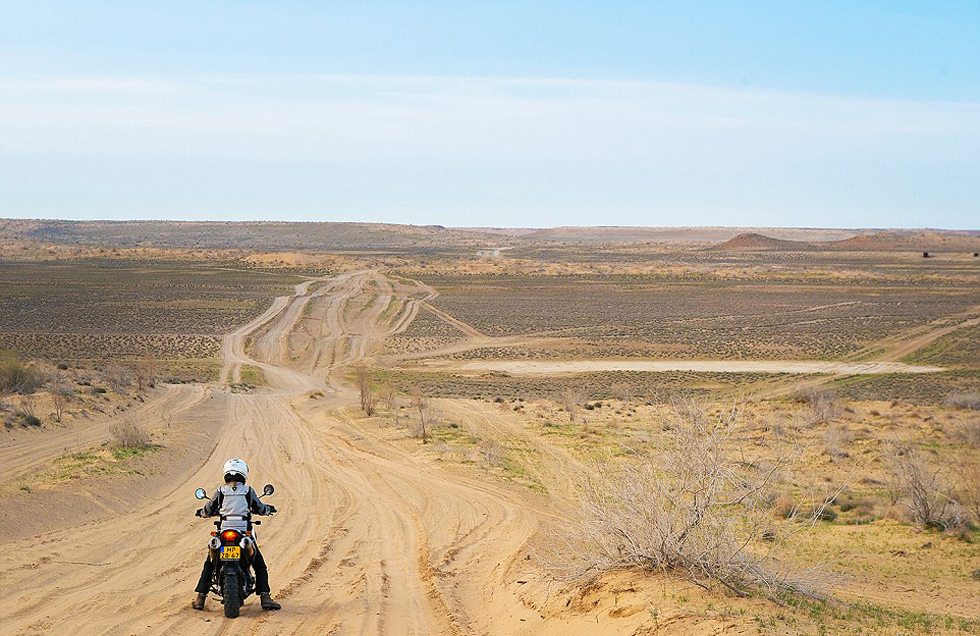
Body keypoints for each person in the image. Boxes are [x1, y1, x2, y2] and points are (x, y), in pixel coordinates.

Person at [192, 458, 282, 611]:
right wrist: (268, 509)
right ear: (243, 474)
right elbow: (260, 508)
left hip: (224, 533)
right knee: (259, 565)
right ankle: (265, 598)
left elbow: (208, 508)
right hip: (243, 533)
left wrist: (202, 513)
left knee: (210, 563)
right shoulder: (248, 491)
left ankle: (200, 598)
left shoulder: (220, 491)